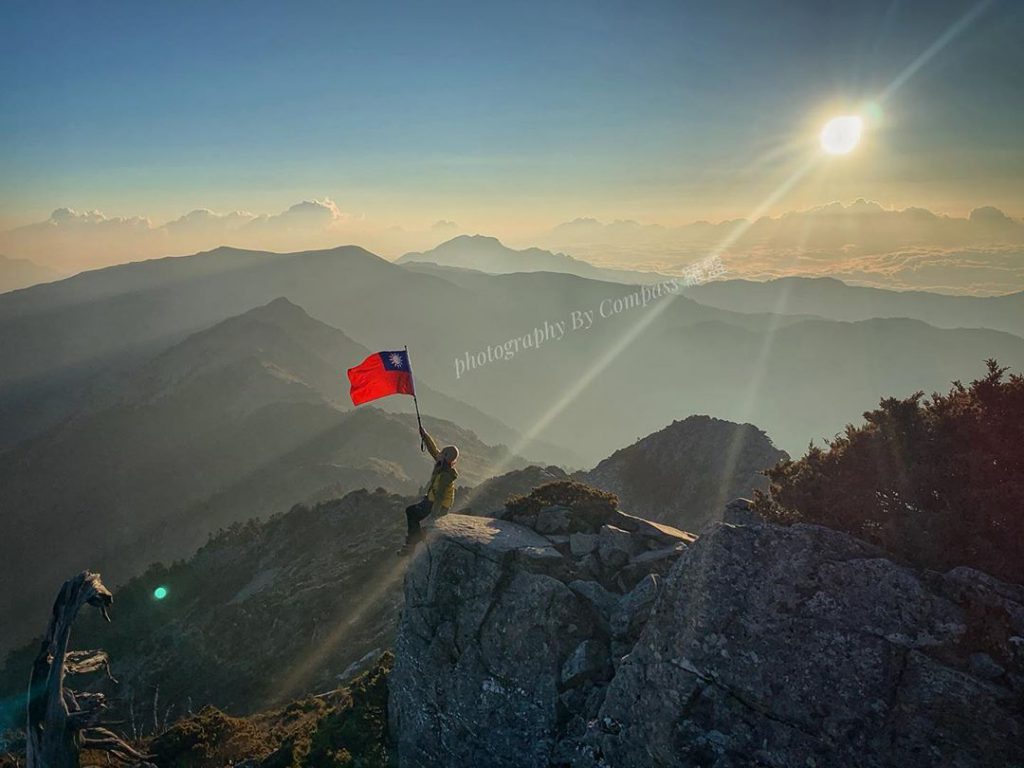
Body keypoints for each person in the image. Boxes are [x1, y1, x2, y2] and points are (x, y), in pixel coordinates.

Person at [398, 425, 459, 555]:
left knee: (412, 513)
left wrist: (434, 515)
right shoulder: (442, 464)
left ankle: (412, 543)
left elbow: (440, 496)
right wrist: (424, 435)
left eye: (442, 453)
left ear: (446, 457)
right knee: (412, 512)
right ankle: (413, 541)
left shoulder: (445, 475)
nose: (439, 453)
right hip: (432, 500)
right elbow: (433, 450)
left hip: (439, 505)